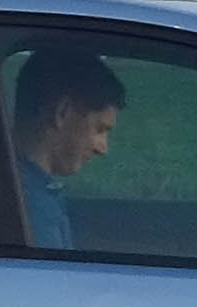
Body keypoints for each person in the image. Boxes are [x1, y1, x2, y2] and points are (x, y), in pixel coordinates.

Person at [11, 49, 123, 249]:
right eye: (99, 129)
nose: (103, 149)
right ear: (62, 112)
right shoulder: (32, 209)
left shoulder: (26, 190)